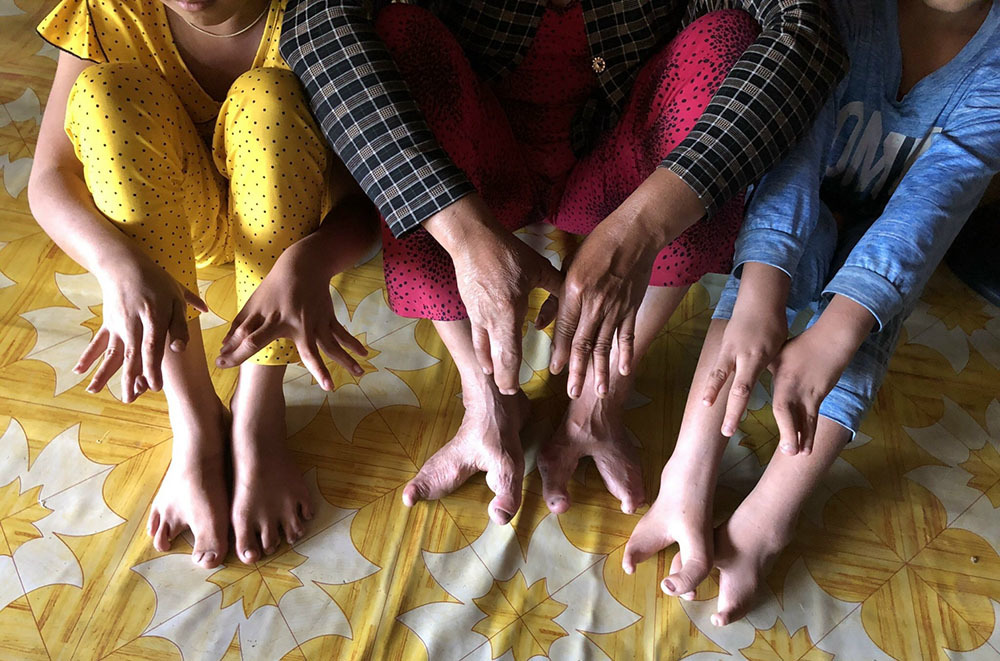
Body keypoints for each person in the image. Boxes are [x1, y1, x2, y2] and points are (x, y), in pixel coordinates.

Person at [250, 0, 846, 525]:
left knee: (725, 38)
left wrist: (640, 229)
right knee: (401, 35)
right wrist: (463, 233)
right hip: (480, 166)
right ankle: (488, 404)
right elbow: (316, 23)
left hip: (619, 166)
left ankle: (597, 407)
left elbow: (806, 28)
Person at [623, 0, 1000, 626]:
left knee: (872, 305)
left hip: (890, 228)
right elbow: (794, 153)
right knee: (770, 276)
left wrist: (836, 333)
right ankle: (687, 470)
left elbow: (930, 208)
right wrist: (761, 292)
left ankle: (768, 520)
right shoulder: (844, 12)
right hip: (793, 199)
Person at [28, 0, 377, 569]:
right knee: (104, 93)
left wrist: (312, 260)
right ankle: (194, 421)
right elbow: (49, 178)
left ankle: (258, 413)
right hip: (175, 231)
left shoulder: (319, 12)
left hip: (290, 231)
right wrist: (114, 263)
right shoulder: (109, 10)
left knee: (271, 96)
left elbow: (365, 194)